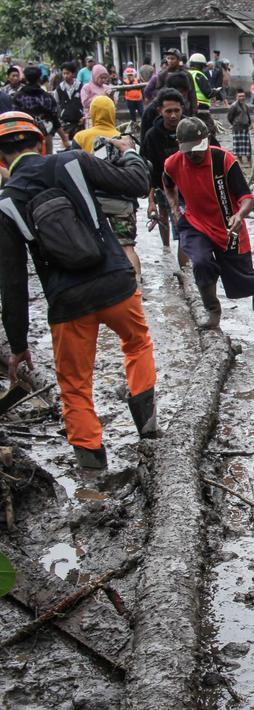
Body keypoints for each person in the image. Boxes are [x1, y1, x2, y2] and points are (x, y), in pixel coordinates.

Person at [0, 111, 157, 470]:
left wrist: (19, 347)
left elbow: (12, 285)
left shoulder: (6, 203)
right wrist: (129, 150)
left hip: (67, 303)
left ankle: (92, 468)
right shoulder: (72, 161)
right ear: (43, 142)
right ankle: (146, 423)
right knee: (137, 343)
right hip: (116, 282)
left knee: (74, 385)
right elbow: (136, 183)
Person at [161, 117, 254, 327]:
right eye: (188, 150)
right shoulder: (172, 163)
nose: (194, 154)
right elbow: (168, 185)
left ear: (207, 140)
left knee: (246, 278)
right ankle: (212, 310)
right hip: (195, 223)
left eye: (198, 148)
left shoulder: (223, 160)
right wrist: (174, 206)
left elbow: (246, 197)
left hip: (228, 225)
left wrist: (239, 215)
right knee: (200, 262)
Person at [73, 96, 143, 278]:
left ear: (93, 113)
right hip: (122, 201)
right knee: (127, 246)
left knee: (94, 246)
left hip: (93, 203)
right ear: (112, 113)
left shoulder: (81, 137)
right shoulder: (123, 138)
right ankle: (136, 288)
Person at [140, 88, 186, 249]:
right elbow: (148, 170)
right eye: (168, 111)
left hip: (190, 186)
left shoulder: (191, 130)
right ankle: (166, 249)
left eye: (176, 110)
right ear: (159, 110)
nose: (173, 115)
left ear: (182, 108)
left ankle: (186, 267)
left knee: (185, 230)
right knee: (163, 213)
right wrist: (150, 200)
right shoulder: (152, 136)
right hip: (162, 184)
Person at [12, 66, 63, 154]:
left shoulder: (18, 97)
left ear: (25, 78)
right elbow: (55, 119)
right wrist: (64, 138)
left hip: (25, 138)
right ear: (39, 79)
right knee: (47, 163)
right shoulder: (47, 97)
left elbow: (15, 118)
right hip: (45, 137)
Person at [55, 63, 85, 148]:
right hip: (65, 120)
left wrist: (84, 115)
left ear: (73, 74)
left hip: (79, 120)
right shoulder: (59, 88)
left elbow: (85, 102)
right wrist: (60, 115)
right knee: (65, 144)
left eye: (67, 73)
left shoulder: (81, 86)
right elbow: (56, 102)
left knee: (79, 144)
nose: (65, 76)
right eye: (64, 73)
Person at [226, 90, 252, 168]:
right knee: (238, 147)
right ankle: (240, 162)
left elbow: (248, 115)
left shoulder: (245, 105)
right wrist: (235, 124)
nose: (242, 98)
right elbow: (229, 117)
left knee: (247, 146)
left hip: (245, 128)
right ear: (236, 97)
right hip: (237, 128)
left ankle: (249, 162)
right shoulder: (233, 106)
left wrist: (249, 123)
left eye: (243, 96)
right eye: (240, 96)